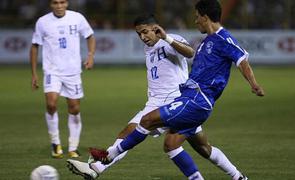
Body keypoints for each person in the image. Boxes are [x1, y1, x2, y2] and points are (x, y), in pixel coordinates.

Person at [67, 13, 252, 180]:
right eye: (139, 34)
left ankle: (97, 167)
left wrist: (167, 38)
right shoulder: (148, 49)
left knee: (135, 133)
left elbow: (190, 52)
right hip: (159, 101)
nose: (143, 37)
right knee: (202, 147)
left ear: (155, 28)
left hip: (177, 100)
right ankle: (238, 176)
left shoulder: (170, 40)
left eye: (145, 32)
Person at [30, 0, 96, 158]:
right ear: (50, 4)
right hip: (52, 71)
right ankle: (55, 143)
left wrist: (90, 55)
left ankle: (73, 147)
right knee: (51, 104)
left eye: (62, 2)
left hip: (73, 72)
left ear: (66, 3)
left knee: (74, 109)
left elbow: (90, 36)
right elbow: (34, 46)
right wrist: (34, 73)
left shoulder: (77, 18)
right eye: (55, 2)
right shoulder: (43, 22)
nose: (59, 5)